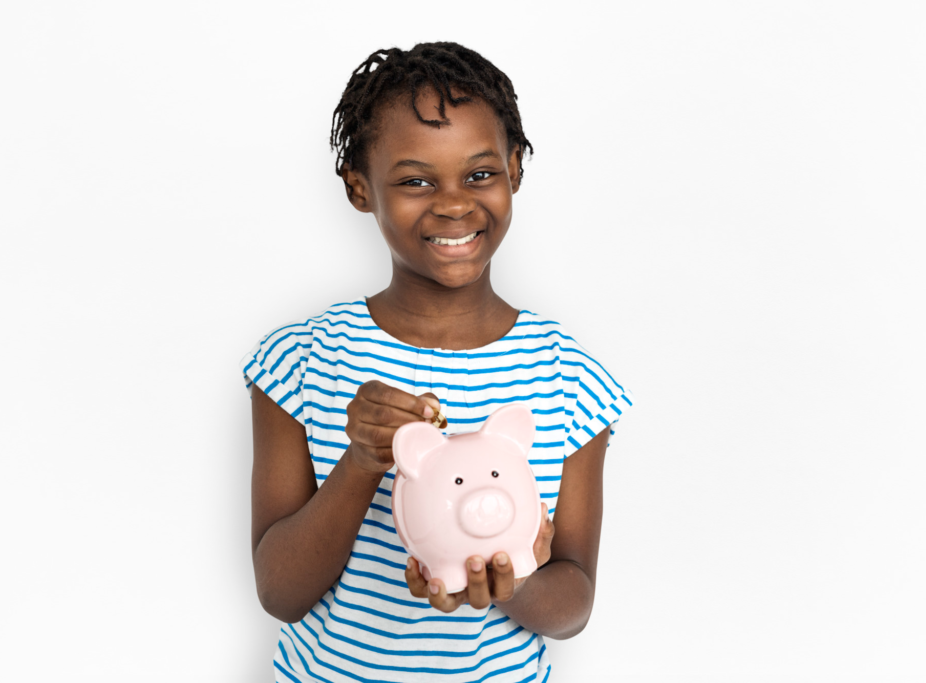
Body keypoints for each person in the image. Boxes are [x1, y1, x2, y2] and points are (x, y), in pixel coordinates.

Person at [240, 41, 635, 682]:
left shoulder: (568, 375)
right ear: (360, 187)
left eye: (479, 174)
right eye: (416, 180)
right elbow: (280, 593)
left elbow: (574, 604)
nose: (453, 203)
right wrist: (364, 461)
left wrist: (513, 583)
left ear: (514, 169)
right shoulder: (300, 361)